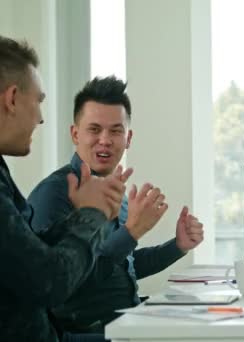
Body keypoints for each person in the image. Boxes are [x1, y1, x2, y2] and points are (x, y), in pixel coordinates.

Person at [28, 76, 205, 334]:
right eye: (94, 129)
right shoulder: (53, 194)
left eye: (115, 131)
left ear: (128, 138)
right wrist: (131, 232)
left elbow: (122, 267)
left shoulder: (114, 191)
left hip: (127, 324)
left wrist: (177, 246)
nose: (105, 140)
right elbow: (64, 284)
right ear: (75, 134)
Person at [0, 36, 131, 342]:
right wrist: (93, 215)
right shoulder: (54, 191)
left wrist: (86, 215)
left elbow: (32, 256)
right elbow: (50, 282)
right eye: (39, 100)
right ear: (12, 98)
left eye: (116, 131)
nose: (41, 117)